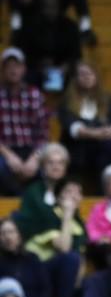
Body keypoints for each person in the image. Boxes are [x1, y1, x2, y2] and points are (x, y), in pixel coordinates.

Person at [19, 175, 87, 297]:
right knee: (69, 258)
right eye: (69, 191)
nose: (74, 196)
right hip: (34, 271)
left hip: (57, 273)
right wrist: (68, 214)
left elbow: (80, 253)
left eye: (78, 192)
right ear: (59, 196)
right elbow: (64, 248)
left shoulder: (79, 223)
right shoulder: (48, 215)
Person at [58, 62, 111, 176]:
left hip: (102, 149)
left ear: (96, 77)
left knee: (106, 156)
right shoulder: (67, 101)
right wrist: (96, 134)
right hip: (77, 148)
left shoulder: (108, 98)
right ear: (75, 78)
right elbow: (73, 128)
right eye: (83, 74)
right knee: (107, 147)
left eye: (90, 74)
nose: (87, 77)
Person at [0, 217, 61, 297]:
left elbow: (46, 288)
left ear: (19, 235)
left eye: (11, 232)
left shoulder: (32, 259)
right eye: (3, 233)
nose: (8, 237)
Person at [0, 49, 49, 196]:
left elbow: (43, 133)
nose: (13, 70)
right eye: (9, 66)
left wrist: (34, 158)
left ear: (24, 69)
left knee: (52, 164)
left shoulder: (35, 94)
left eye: (17, 66)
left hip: (31, 150)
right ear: (3, 70)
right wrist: (9, 156)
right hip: (4, 150)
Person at [12, 0, 81, 92]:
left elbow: (76, 54)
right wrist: (38, 65)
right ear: (41, 8)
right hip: (35, 69)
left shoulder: (70, 26)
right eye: (46, 7)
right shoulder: (30, 26)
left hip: (62, 69)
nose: (50, 11)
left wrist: (66, 66)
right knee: (26, 76)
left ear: (59, 7)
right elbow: (21, 52)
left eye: (54, 7)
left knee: (77, 76)